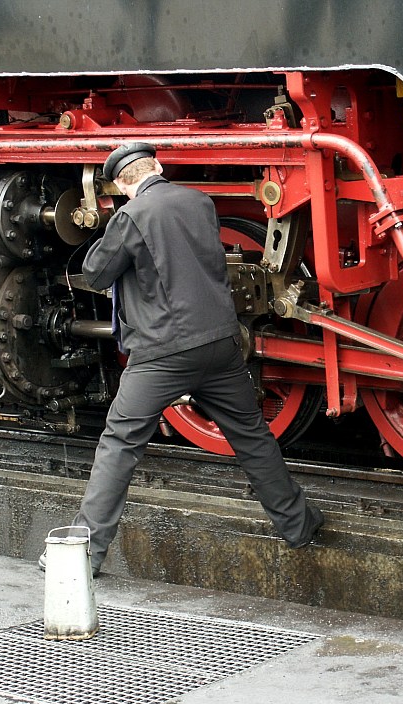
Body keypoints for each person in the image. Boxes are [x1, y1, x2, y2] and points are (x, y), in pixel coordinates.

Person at [41, 141, 323, 575]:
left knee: (119, 444)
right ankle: (299, 526)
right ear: (156, 166)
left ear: (121, 183)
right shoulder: (199, 201)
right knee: (251, 436)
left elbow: (96, 272)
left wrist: (109, 226)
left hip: (162, 353)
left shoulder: (131, 215)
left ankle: (86, 555)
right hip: (221, 343)